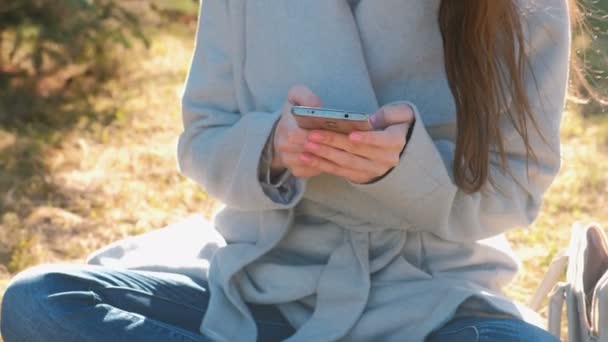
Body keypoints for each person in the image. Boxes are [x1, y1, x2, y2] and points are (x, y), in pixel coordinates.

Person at [1, 0, 575, 341]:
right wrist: (270, 148)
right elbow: (202, 136)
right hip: (257, 284)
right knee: (38, 301)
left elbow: (514, 189)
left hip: (428, 298)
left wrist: (404, 168)